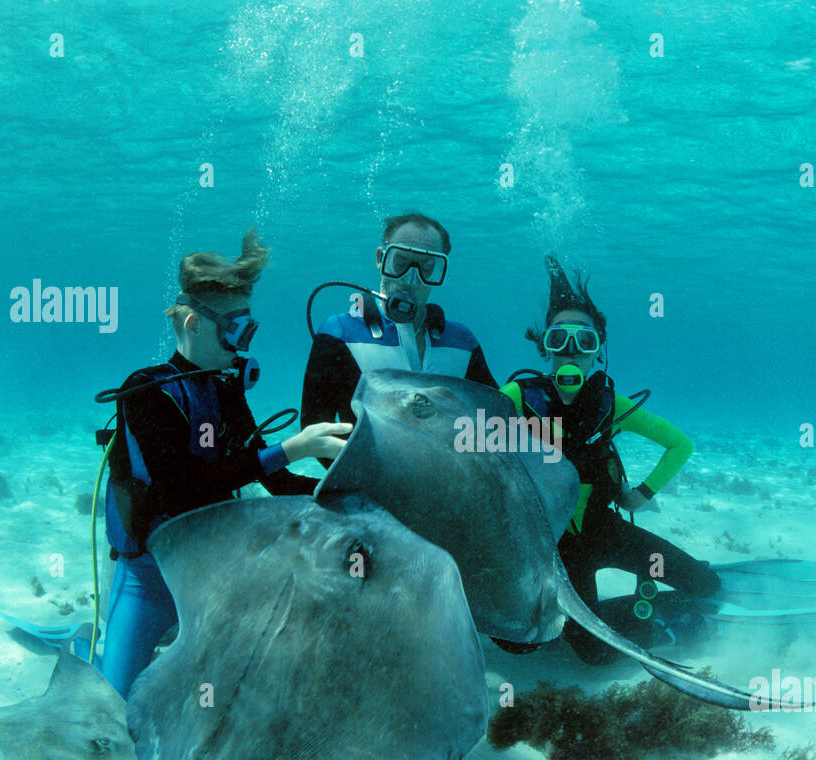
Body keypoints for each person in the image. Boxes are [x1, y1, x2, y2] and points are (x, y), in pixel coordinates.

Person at [99, 229, 350, 696]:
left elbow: (271, 477)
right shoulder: (146, 391)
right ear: (194, 322)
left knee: (256, 689)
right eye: (236, 328)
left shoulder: (226, 388)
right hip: (148, 576)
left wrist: (337, 491)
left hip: (215, 570)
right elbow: (181, 488)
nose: (244, 342)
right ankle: (106, 644)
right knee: (117, 703)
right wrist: (292, 447)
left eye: (249, 327)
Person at [500, 256, 721, 664]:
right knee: (588, 652)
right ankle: (648, 621)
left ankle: (658, 590)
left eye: (583, 342)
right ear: (544, 346)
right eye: (558, 339)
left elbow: (680, 444)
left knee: (705, 584)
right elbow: (466, 440)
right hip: (552, 546)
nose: (571, 353)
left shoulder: (611, 405)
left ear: (598, 350)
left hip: (606, 530)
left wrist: (642, 493)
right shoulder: (518, 397)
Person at [300, 212, 496, 440]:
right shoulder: (339, 333)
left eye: (427, 267)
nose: (411, 279)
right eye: (400, 262)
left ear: (439, 271)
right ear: (380, 259)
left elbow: (495, 418)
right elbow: (314, 429)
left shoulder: (463, 342)